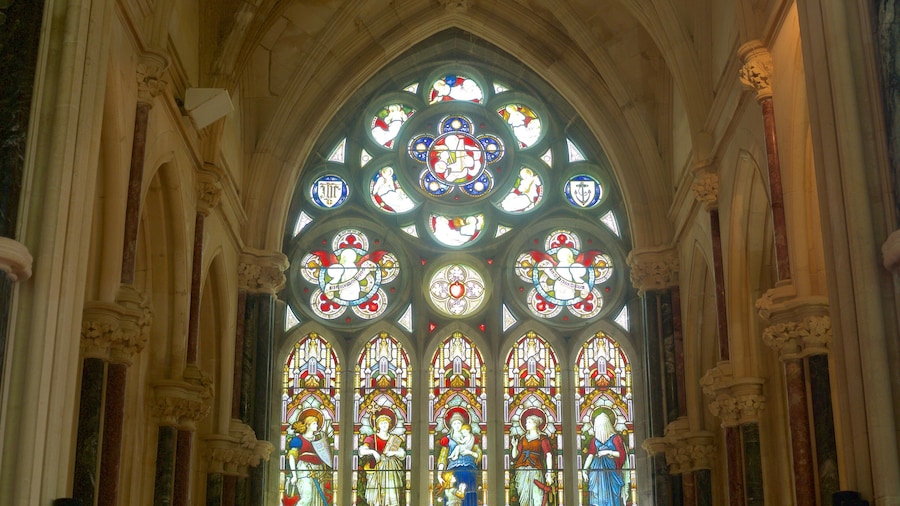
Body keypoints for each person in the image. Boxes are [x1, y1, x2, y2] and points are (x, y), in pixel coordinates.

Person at [284, 409, 332, 506]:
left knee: (318, 499)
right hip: (304, 469)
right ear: (307, 425)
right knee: (307, 498)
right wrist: (294, 475)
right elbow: (292, 457)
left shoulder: (319, 439)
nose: (317, 425)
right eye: (314, 423)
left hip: (319, 471)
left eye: (317, 423)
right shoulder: (298, 440)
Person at [359, 410, 406, 506]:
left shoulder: (394, 439)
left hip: (391, 469)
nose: (384, 425)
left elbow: (402, 454)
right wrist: (373, 452)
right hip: (377, 468)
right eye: (381, 423)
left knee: (391, 492)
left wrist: (393, 452)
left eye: (386, 423)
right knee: (376, 495)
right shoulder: (372, 438)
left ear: (390, 425)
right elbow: (362, 450)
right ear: (378, 425)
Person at [436, 410, 481, 506]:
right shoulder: (447, 440)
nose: (456, 425)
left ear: (463, 425)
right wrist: (439, 475)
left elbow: (478, 454)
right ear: (451, 425)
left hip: (469, 471)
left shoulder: (470, 439)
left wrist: (470, 452)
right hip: (453, 473)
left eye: (459, 423)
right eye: (454, 423)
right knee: (452, 495)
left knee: (469, 494)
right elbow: (443, 458)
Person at [511, 411, 555, 506]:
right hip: (521, 470)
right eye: (526, 422)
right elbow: (515, 456)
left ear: (535, 424)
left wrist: (549, 473)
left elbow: (549, 455)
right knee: (524, 498)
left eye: (529, 422)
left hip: (535, 469)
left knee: (537, 495)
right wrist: (514, 446)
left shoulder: (542, 438)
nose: (526, 424)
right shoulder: (523, 438)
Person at [582, 411, 626, 506]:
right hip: (596, 472)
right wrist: (584, 470)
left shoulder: (616, 438)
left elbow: (621, 454)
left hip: (611, 471)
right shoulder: (594, 440)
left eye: (599, 427)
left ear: (606, 426)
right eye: (596, 427)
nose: (597, 430)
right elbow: (590, 455)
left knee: (613, 496)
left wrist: (608, 452)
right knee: (596, 496)